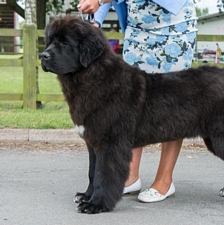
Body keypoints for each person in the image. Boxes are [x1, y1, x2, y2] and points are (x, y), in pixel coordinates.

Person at [78, 0, 198, 203]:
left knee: (172, 104)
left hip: (173, 26)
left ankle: (164, 180)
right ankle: (130, 177)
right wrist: (95, 21)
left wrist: (98, 1)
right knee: (131, 100)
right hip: (138, 29)